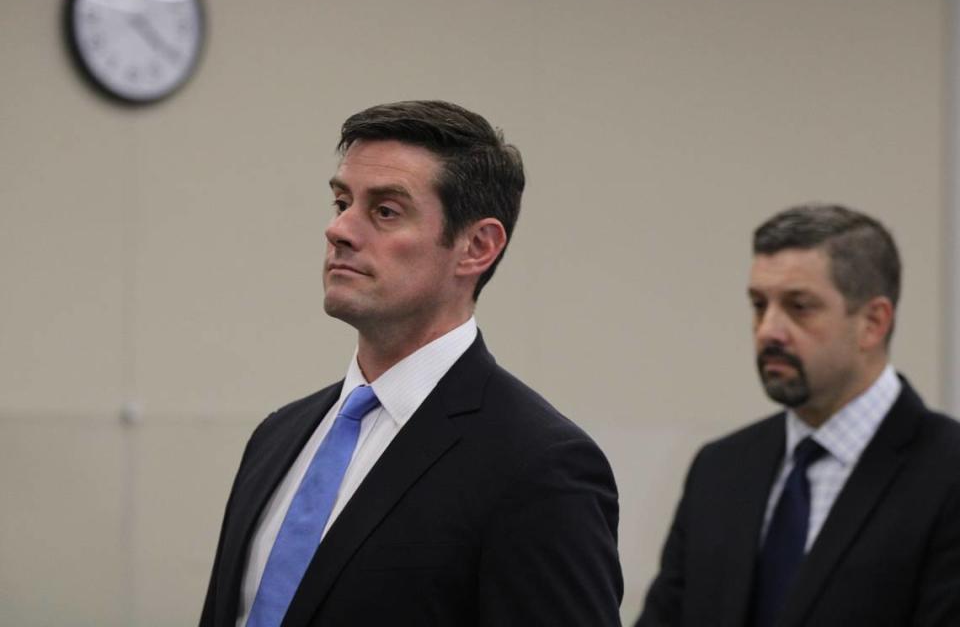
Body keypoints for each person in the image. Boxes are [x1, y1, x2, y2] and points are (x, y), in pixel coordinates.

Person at [200, 100, 623, 627]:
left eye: (385, 211)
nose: (340, 231)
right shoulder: (277, 436)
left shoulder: (538, 467)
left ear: (476, 246)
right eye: (340, 203)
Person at [636, 204, 960, 627]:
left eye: (799, 306)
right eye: (758, 304)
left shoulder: (947, 473)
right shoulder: (720, 470)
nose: (768, 329)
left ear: (873, 322)